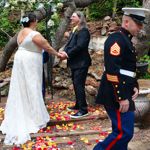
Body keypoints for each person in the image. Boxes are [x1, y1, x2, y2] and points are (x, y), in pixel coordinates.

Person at [0, 12, 66, 145]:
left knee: (22, 87)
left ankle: (26, 111)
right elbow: (46, 46)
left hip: (21, 60)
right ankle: (35, 118)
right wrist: (58, 54)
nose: (37, 21)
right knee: (32, 86)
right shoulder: (34, 34)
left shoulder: (20, 33)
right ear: (33, 21)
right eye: (36, 20)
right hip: (29, 62)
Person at [93, 7, 150, 150]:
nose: (141, 27)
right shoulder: (116, 40)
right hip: (116, 93)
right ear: (126, 22)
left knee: (122, 131)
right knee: (123, 133)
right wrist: (122, 97)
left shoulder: (126, 39)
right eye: (138, 23)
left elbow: (127, 69)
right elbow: (112, 70)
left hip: (124, 90)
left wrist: (134, 85)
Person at [63, 11, 91, 118]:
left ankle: (83, 109)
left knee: (79, 85)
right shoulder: (76, 30)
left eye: (73, 16)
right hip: (75, 62)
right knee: (75, 84)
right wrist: (65, 51)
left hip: (81, 63)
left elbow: (80, 46)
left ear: (80, 18)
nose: (71, 18)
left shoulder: (84, 31)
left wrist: (67, 53)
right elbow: (70, 44)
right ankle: (78, 104)